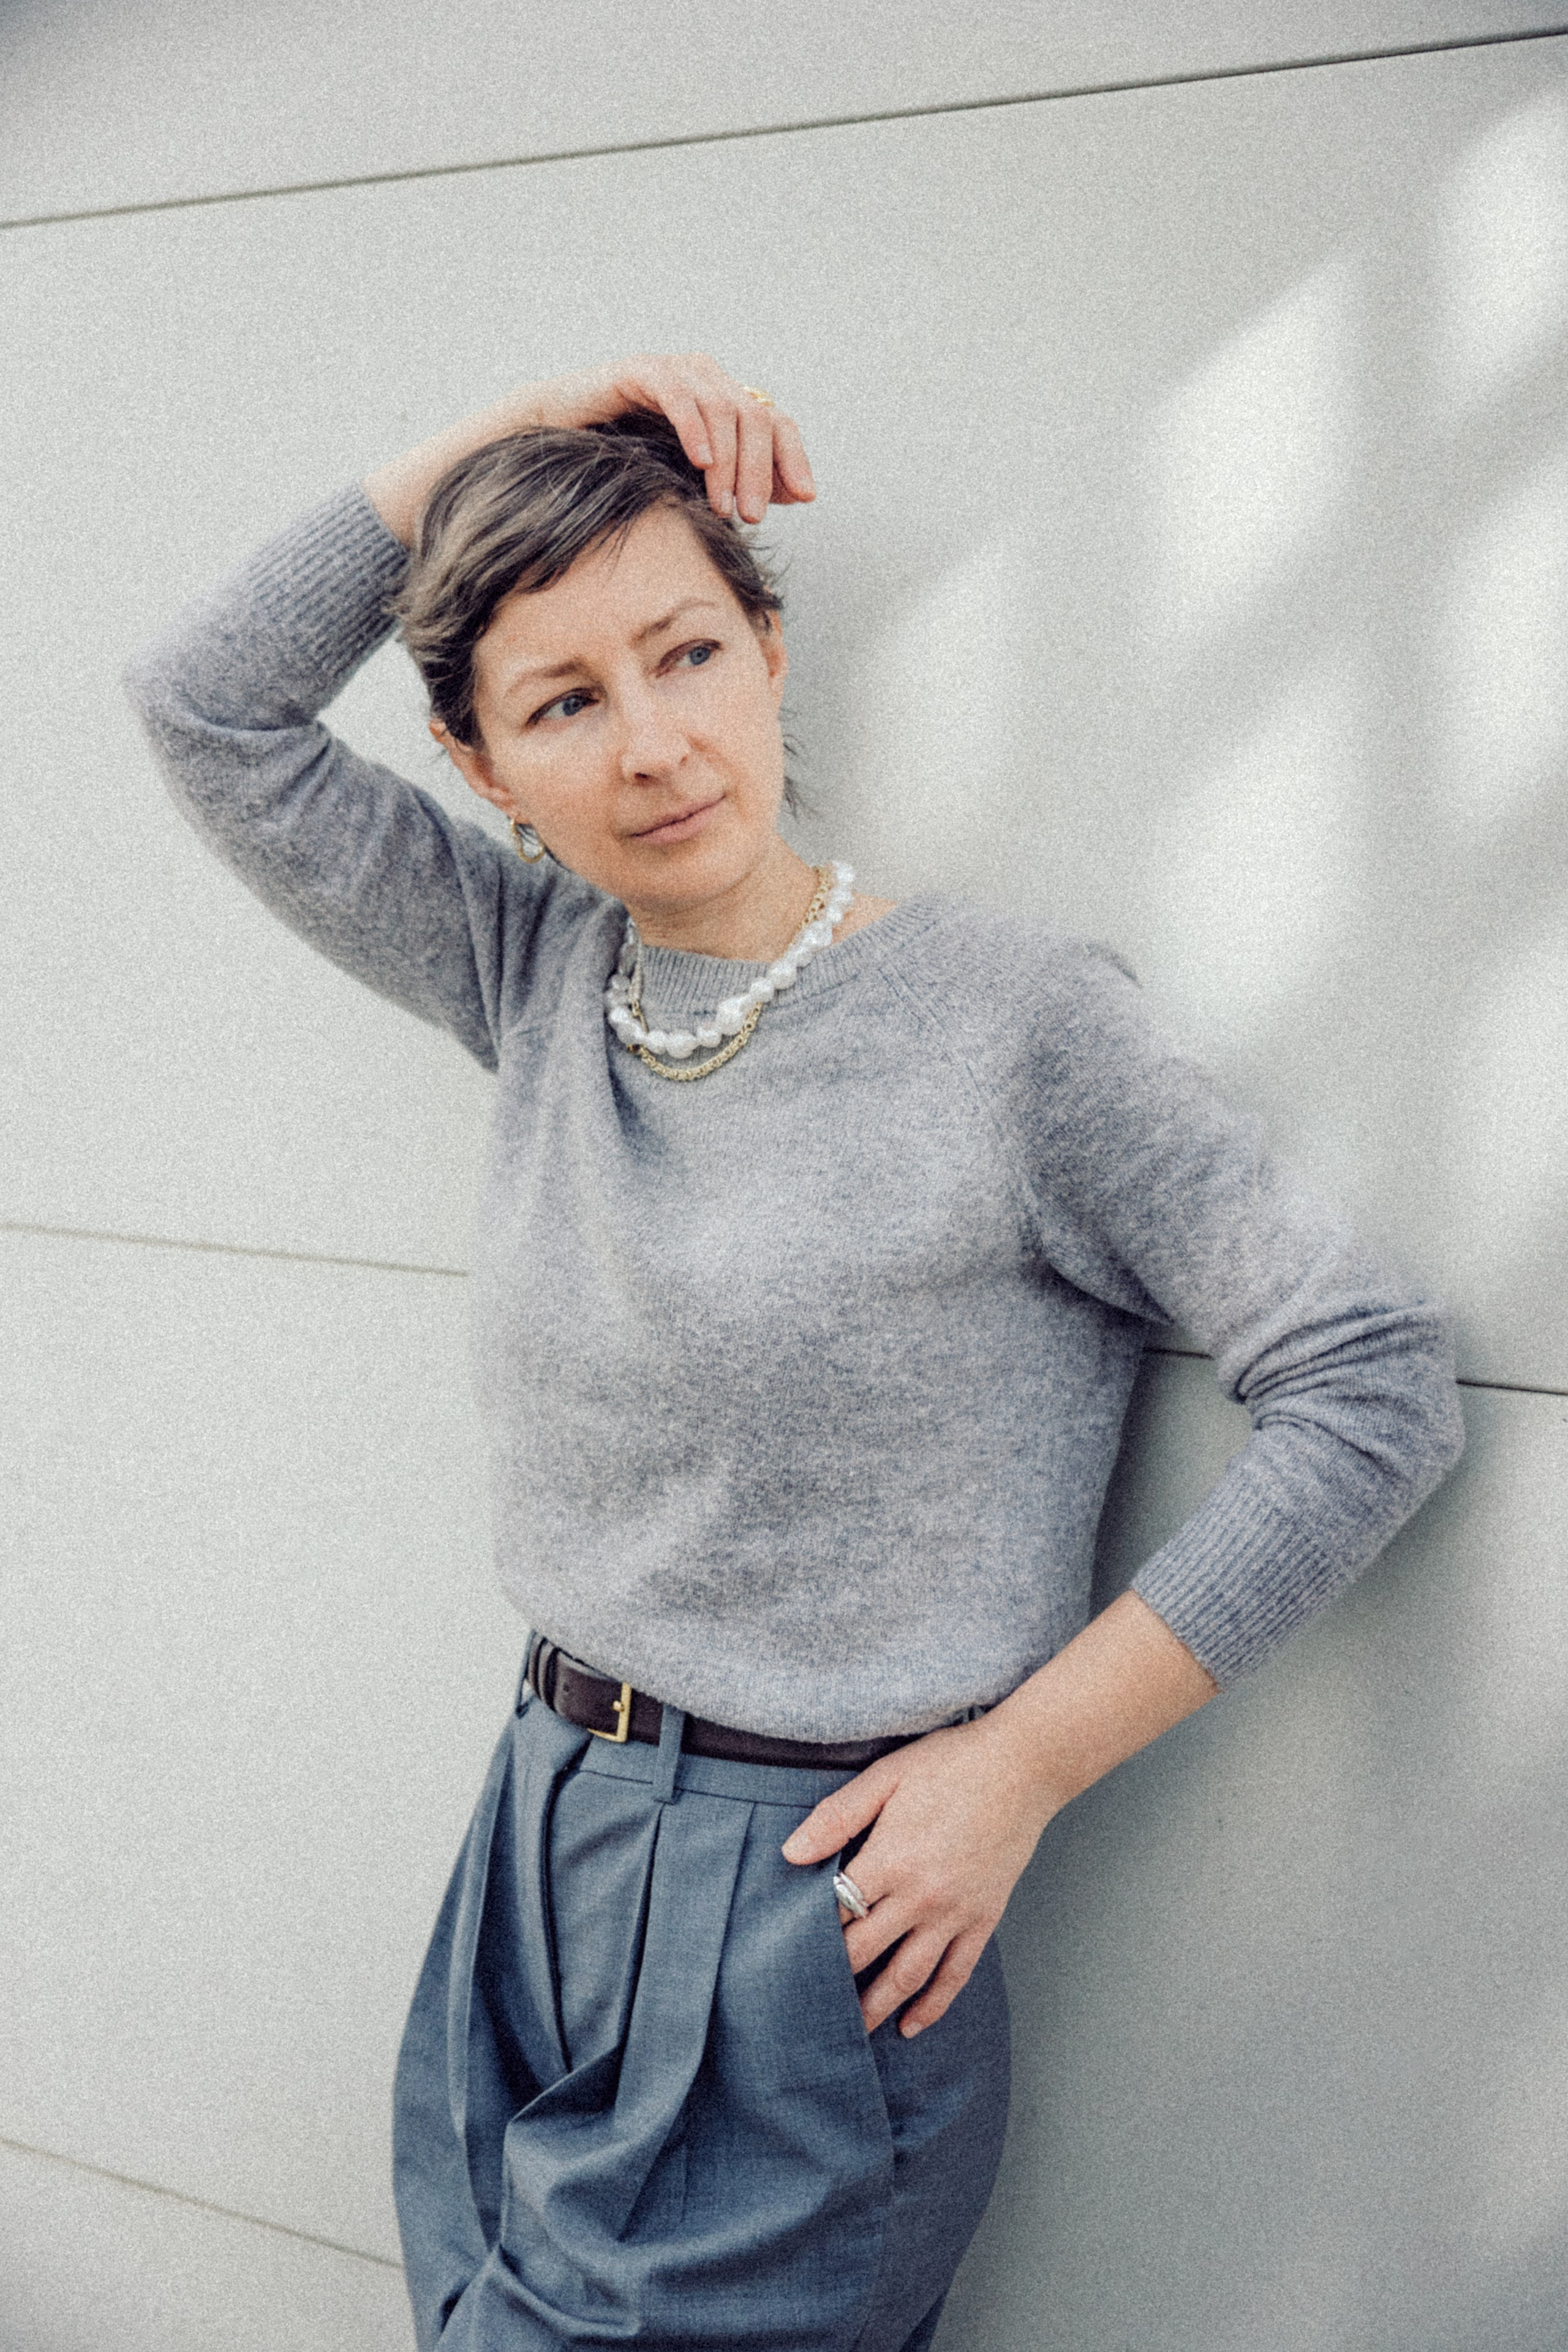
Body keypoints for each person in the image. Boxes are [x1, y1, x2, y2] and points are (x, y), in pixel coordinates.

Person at [123, 352, 1464, 2352]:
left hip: (813, 1906)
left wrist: (1020, 1766)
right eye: (565, 702)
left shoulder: (1014, 1029)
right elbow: (205, 708)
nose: (652, 743)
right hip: (540, 1844)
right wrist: (512, 425)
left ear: (767, 648)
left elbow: (1370, 1381)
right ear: (484, 766)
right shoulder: (534, 970)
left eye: (685, 654)